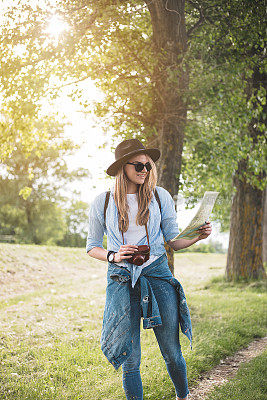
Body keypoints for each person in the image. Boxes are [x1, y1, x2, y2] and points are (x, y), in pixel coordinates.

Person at [86, 138, 212, 400]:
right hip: (121, 281)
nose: (145, 170)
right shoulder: (103, 201)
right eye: (139, 165)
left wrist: (197, 236)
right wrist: (114, 254)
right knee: (130, 361)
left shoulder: (160, 196)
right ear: (123, 167)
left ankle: (183, 396)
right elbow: (91, 246)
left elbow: (174, 241)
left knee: (171, 352)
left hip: (157, 276)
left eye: (148, 166)